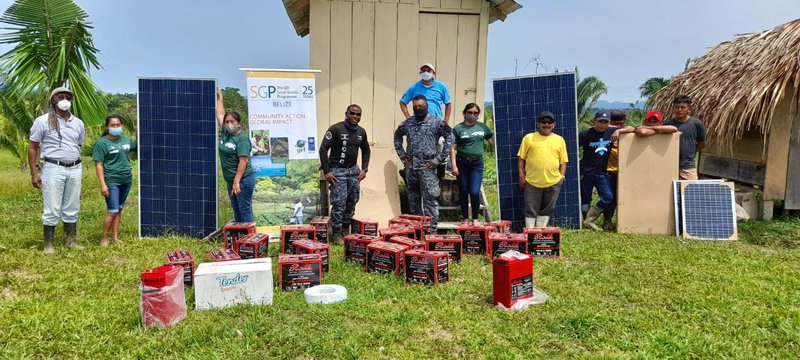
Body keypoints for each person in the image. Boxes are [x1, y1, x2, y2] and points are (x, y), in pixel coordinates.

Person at [28, 87, 86, 254]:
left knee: (72, 205)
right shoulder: (42, 121)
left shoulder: (78, 122)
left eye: (68, 96)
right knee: (52, 207)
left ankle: (71, 241)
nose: (65, 98)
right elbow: (33, 147)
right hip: (53, 168)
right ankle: (48, 245)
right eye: (61, 96)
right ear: (53, 99)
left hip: (75, 167)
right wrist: (34, 173)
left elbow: (78, 144)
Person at [394, 95, 454, 233]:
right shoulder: (408, 123)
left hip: (428, 167)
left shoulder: (436, 122)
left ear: (426, 106)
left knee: (430, 200)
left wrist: (438, 159)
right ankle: (417, 231)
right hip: (411, 167)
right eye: (415, 106)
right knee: (413, 200)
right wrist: (401, 154)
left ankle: (431, 232)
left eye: (421, 106)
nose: (418, 108)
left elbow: (450, 138)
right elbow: (397, 136)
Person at [319, 104, 371, 243]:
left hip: (354, 171)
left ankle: (345, 231)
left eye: (358, 114)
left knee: (351, 202)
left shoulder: (361, 132)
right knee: (339, 203)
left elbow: (366, 150)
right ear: (346, 113)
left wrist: (364, 169)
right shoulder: (336, 129)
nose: (355, 116)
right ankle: (336, 233)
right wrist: (327, 171)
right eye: (352, 113)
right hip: (337, 171)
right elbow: (323, 149)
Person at [517, 111, 569, 228]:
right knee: (530, 209)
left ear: (553, 125)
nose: (546, 124)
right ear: (538, 124)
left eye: (549, 122)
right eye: (543, 122)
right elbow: (521, 158)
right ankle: (530, 234)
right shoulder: (528, 138)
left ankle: (540, 233)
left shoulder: (559, 140)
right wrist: (521, 175)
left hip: (553, 182)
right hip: (531, 181)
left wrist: (561, 177)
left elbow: (563, 161)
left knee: (547, 209)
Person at [93, 115, 137, 246]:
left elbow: (140, 145)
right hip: (112, 181)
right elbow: (99, 165)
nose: (116, 127)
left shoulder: (127, 140)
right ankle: (104, 238)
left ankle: (115, 238)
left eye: (118, 125)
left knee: (119, 209)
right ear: (107, 127)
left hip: (126, 179)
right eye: (113, 125)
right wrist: (103, 185)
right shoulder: (101, 143)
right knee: (112, 210)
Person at [580, 111, 628, 231]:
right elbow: (572, 147)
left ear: (609, 123)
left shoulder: (611, 132)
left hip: (602, 173)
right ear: (594, 121)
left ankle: (590, 219)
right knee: (585, 199)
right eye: (600, 121)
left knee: (608, 196)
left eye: (605, 122)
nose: (602, 124)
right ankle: (583, 221)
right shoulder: (585, 134)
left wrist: (618, 131)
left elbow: (633, 128)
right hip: (586, 173)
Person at [216, 88, 255, 222]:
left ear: (239, 123)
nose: (229, 124)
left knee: (244, 210)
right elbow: (220, 115)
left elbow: (243, 161)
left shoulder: (242, 139)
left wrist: (237, 182)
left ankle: (250, 239)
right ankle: (240, 239)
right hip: (231, 181)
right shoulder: (227, 134)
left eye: (232, 121)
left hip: (243, 180)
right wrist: (220, 97)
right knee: (236, 209)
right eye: (227, 122)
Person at [450, 103, 494, 226]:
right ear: (465, 113)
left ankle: (475, 218)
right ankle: (465, 219)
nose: (472, 115)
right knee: (463, 190)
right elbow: (453, 148)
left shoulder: (483, 128)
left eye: (475, 113)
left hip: (477, 164)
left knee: (474, 191)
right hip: (462, 163)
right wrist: (454, 165)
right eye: (469, 112)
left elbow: (492, 143)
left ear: (478, 115)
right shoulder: (458, 128)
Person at [602, 110, 636, 231]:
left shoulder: (626, 133)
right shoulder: (604, 133)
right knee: (610, 198)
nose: (619, 126)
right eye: (616, 124)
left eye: (621, 124)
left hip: (625, 173)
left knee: (624, 198)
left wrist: (619, 130)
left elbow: (634, 128)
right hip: (609, 172)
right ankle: (607, 220)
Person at [663, 95, 706, 180]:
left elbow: (702, 144)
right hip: (669, 165)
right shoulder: (667, 124)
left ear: (689, 110)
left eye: (683, 107)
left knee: (690, 190)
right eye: (677, 107)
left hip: (688, 165)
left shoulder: (697, 124)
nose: (679, 110)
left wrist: (690, 152)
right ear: (673, 109)